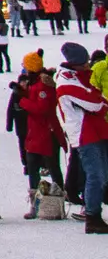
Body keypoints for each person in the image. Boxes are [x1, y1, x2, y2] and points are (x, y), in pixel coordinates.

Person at [54, 40, 108, 232]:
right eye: (84, 63)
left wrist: (99, 101)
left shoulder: (76, 76)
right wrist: (100, 103)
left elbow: (96, 97)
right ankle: (92, 216)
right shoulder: (67, 83)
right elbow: (94, 101)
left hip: (96, 130)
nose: (88, 66)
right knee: (96, 175)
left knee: (103, 174)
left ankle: (93, 212)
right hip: (85, 134)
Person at [17, 61, 62, 215]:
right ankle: (37, 204)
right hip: (35, 134)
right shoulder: (35, 84)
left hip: (45, 133)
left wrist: (23, 101)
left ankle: (54, 204)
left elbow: (41, 108)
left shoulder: (43, 86)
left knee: (51, 167)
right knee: (34, 168)